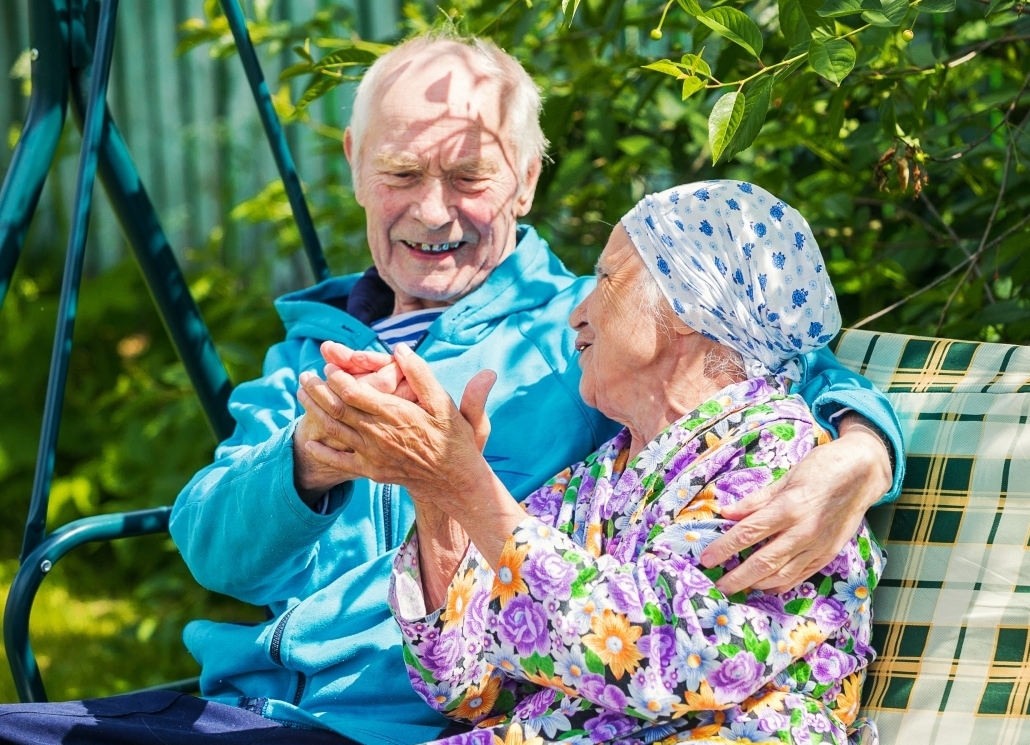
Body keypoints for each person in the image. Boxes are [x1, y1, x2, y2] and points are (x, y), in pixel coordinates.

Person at [0, 34, 901, 745]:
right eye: (400, 174)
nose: (433, 212)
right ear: (354, 163)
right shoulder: (312, 353)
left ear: (527, 178)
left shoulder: (586, 338)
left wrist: (862, 450)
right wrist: (310, 460)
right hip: (263, 700)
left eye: (469, 176)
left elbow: (773, 362)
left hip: (408, 717)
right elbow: (211, 546)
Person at [325, 180, 883, 744]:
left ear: (690, 304)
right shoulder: (597, 477)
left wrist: (465, 482)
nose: (577, 314)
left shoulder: (779, 457)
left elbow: (657, 657)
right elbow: (467, 685)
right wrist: (437, 493)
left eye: (607, 278)